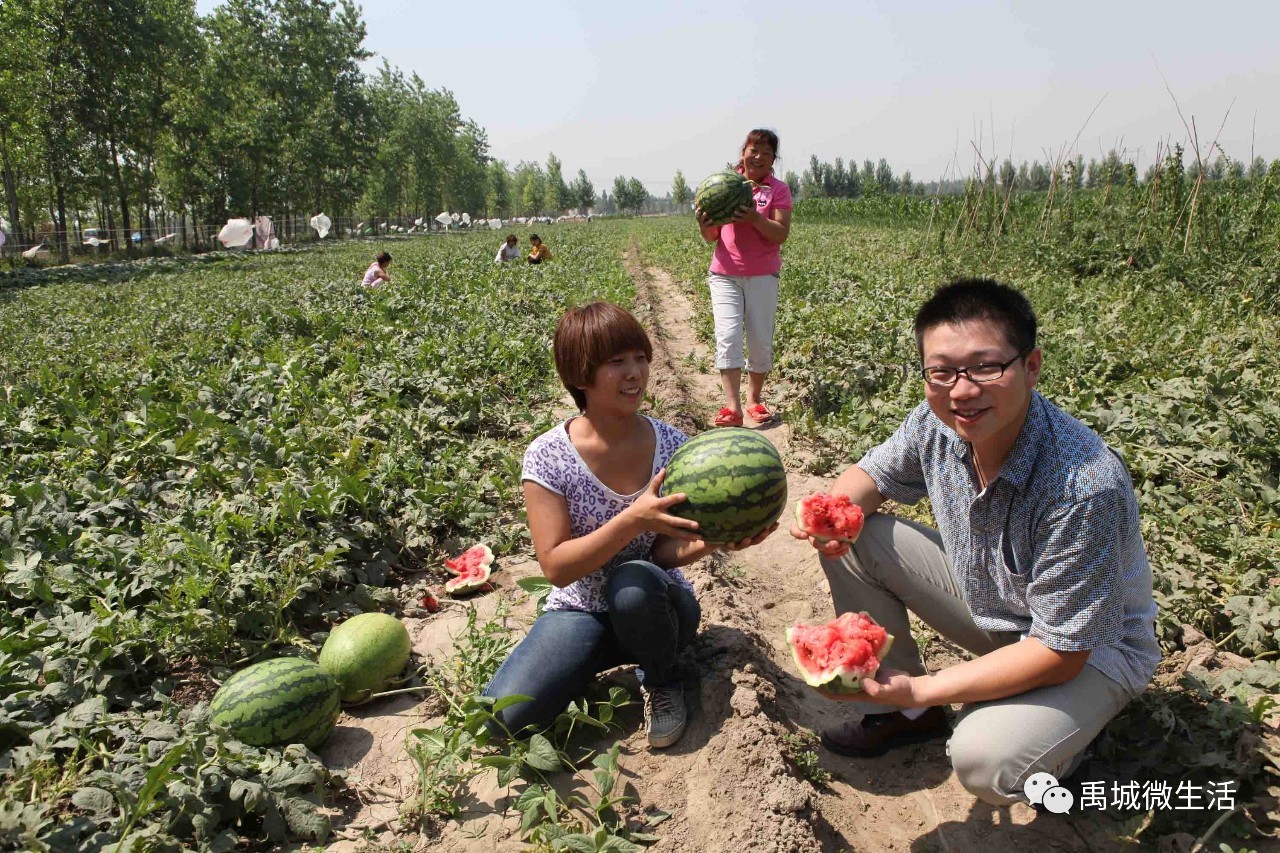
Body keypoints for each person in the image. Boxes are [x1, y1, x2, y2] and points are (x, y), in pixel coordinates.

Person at [791, 278, 1159, 806]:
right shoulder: (939, 424)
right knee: (858, 535)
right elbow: (869, 478)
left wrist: (926, 682)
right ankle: (909, 717)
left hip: (1091, 651)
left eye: (986, 367)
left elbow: (1062, 652)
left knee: (984, 759)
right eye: (941, 371)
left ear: (1030, 367)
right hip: (999, 609)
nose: (961, 390)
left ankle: (1067, 746)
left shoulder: (1083, 484)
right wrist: (832, 518)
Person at [482, 302, 774, 748]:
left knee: (633, 581)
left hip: (659, 606)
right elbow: (557, 568)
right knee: (504, 719)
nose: (634, 372)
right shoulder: (548, 456)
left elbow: (662, 553)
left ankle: (662, 677)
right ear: (580, 375)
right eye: (616, 362)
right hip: (581, 607)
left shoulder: (674, 446)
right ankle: (597, 653)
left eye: (639, 358)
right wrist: (631, 518)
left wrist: (715, 540)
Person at [695, 128, 793, 428]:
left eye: (766, 152)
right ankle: (733, 407)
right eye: (754, 149)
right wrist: (703, 223)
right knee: (728, 337)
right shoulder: (728, 184)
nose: (759, 156)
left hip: (763, 275)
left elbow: (781, 233)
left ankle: (754, 399)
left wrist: (754, 218)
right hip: (724, 275)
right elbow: (712, 236)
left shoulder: (778, 190)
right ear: (743, 152)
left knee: (760, 341)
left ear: (773, 159)